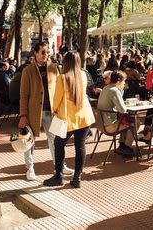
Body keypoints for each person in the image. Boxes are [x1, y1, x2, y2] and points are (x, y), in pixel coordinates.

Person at [18, 41, 73, 181]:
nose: (46, 55)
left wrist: (61, 108)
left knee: (54, 139)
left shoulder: (54, 68)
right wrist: (23, 114)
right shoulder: (27, 71)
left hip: (51, 110)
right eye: (43, 52)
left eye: (47, 52)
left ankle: (59, 165)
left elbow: (60, 89)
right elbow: (23, 95)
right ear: (35, 53)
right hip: (33, 112)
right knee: (29, 141)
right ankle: (30, 168)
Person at [43, 52, 95, 188]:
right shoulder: (83, 75)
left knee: (58, 144)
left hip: (68, 118)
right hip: (84, 116)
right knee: (80, 145)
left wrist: (54, 111)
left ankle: (58, 176)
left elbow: (56, 98)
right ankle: (77, 177)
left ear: (65, 62)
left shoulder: (62, 78)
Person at [98, 70, 135, 157]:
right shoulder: (114, 90)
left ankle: (122, 145)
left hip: (102, 124)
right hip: (110, 126)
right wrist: (121, 91)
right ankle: (126, 147)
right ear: (119, 81)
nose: (124, 83)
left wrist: (120, 91)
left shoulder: (106, 88)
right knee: (135, 122)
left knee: (125, 120)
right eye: (124, 81)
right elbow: (122, 110)